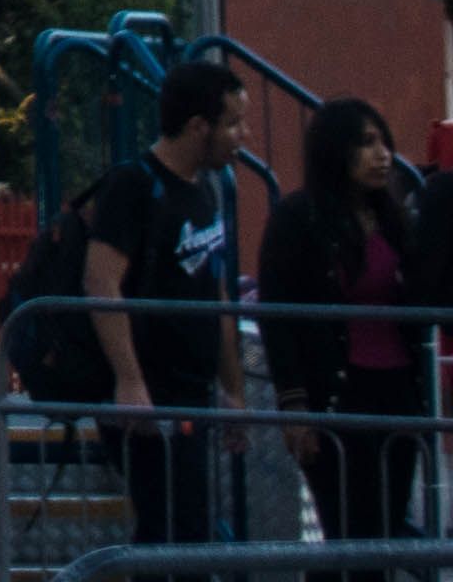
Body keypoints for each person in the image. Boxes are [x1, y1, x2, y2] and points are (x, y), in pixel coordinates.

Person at [68, 56, 251, 549]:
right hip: (149, 393)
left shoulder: (205, 190)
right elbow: (100, 280)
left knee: (184, 530)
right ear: (198, 126)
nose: (243, 136)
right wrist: (130, 380)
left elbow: (217, 295)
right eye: (232, 123)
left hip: (191, 393)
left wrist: (232, 389)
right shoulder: (133, 185)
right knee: (171, 528)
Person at [265, 90, 435, 546]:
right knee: (345, 532)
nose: (383, 156)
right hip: (337, 394)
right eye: (366, 143)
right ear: (335, 151)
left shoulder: (395, 219)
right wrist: (294, 404)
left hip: (398, 392)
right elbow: (276, 314)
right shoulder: (299, 217)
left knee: (384, 529)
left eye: (384, 143)